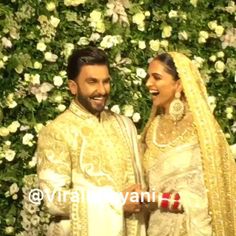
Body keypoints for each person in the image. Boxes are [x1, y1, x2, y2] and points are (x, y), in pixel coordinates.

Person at [36, 47, 146, 236]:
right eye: (92, 82)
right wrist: (117, 202)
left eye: (106, 82)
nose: (102, 90)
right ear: (73, 86)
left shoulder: (124, 125)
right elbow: (53, 199)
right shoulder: (57, 131)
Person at [141, 52, 236, 235]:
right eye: (148, 77)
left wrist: (164, 200)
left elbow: (212, 193)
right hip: (156, 228)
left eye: (157, 77)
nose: (148, 84)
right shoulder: (152, 128)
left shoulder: (201, 129)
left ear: (179, 84)